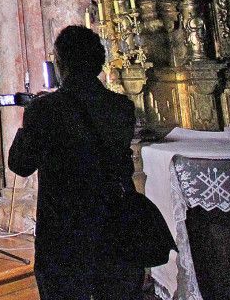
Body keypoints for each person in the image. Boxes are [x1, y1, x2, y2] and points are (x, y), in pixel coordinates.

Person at [8, 25, 141, 300]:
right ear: (99, 62)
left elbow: (20, 165)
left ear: (60, 63)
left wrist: (28, 120)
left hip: (64, 230)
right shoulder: (121, 106)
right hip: (114, 223)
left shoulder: (44, 110)